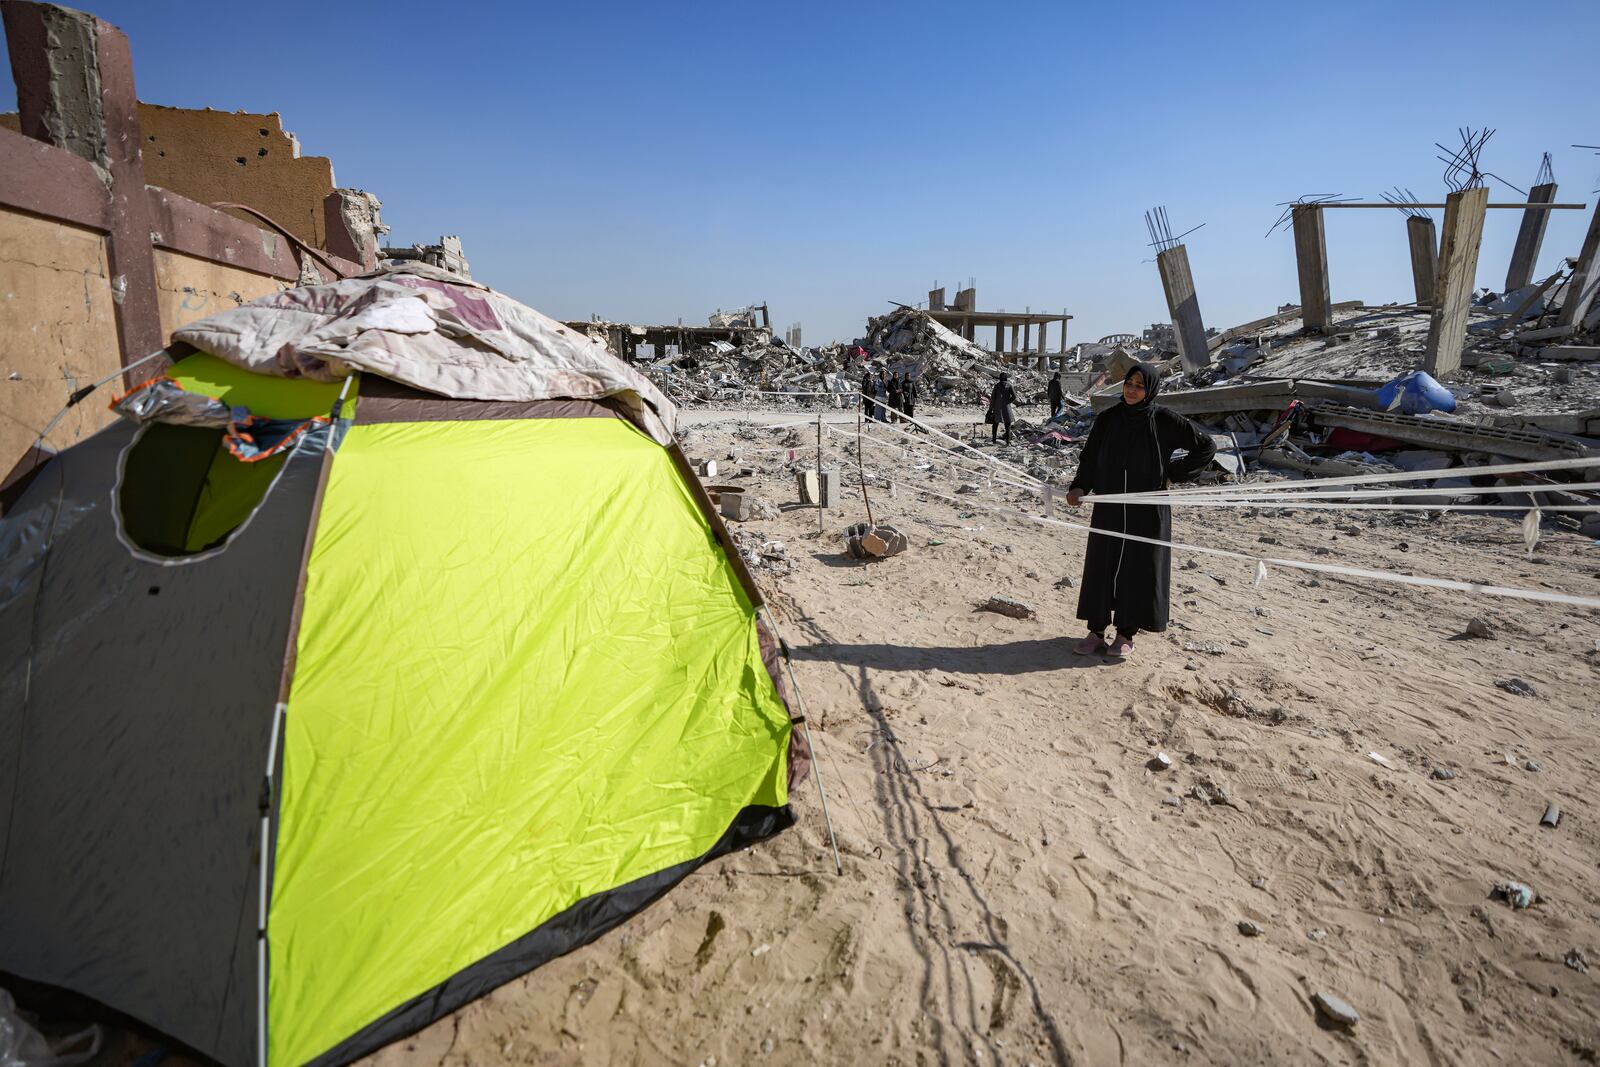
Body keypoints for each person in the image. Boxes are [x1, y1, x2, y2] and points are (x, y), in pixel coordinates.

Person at [1064, 363, 1216, 659]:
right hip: (1109, 505)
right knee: (1102, 563)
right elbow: (1090, 457)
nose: (1132, 390)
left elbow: (1206, 447)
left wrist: (1171, 474)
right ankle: (1095, 632)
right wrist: (1080, 486)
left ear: (1151, 389)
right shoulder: (1108, 419)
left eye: (1139, 385)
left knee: (1137, 567)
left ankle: (1125, 634)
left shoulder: (1164, 420)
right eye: (1129, 383)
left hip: (1146, 509)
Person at [986, 373, 1015, 444]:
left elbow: (993, 399)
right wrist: (1008, 402)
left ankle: (994, 440)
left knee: (995, 424)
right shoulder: (1009, 385)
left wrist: (990, 410)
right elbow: (1014, 396)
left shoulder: (997, 386)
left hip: (997, 407)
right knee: (1007, 425)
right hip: (1006, 407)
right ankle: (1008, 442)